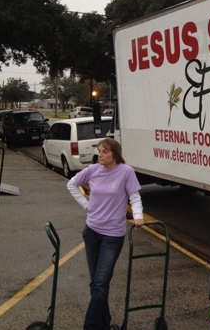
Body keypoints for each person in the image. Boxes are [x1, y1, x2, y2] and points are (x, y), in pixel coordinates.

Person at [67, 138, 144, 330]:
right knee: (97, 283)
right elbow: (71, 184)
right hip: (91, 231)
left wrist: (138, 215)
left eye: (105, 151)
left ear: (115, 154)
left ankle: (91, 326)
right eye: (99, 151)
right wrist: (86, 205)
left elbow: (134, 197)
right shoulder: (93, 170)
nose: (100, 154)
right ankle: (104, 323)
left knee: (100, 282)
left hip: (112, 235)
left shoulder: (126, 172)